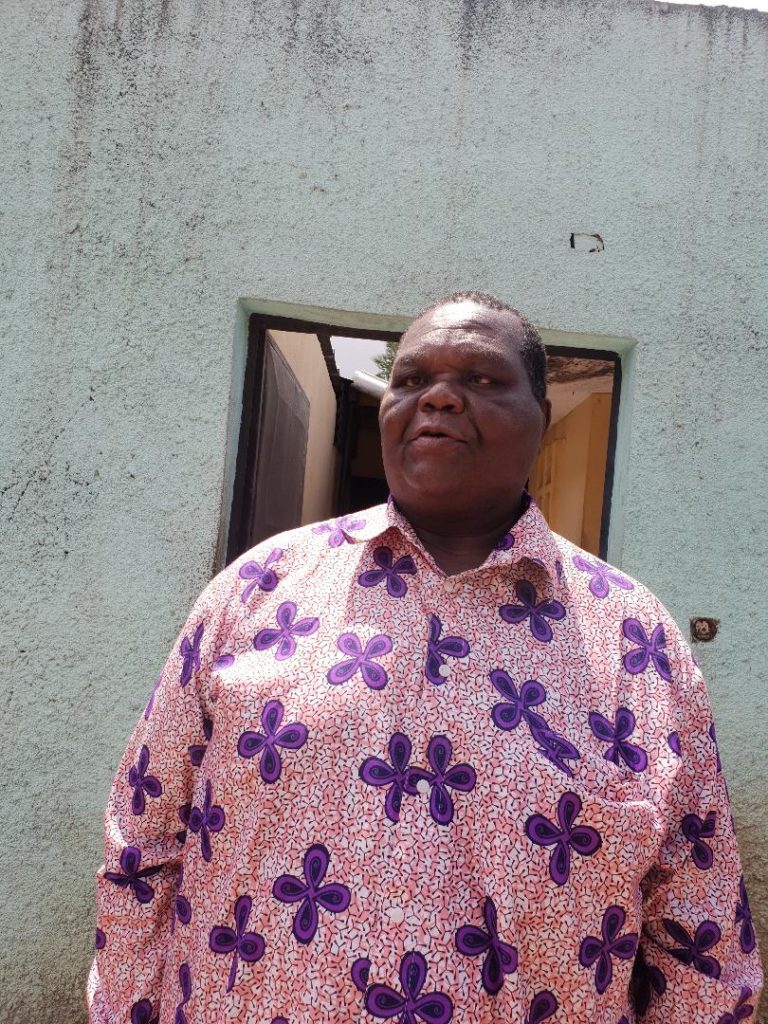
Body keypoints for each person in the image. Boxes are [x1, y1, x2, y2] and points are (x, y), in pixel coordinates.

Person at [89, 291, 762, 1023]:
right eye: (410, 379)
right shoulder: (258, 588)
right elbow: (142, 846)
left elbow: (698, 928)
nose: (437, 398)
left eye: (481, 379)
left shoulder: (634, 637)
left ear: (541, 417)